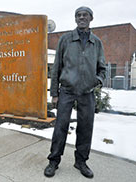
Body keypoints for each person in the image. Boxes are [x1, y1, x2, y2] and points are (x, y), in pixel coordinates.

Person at [44, 6, 106, 178]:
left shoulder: (97, 43)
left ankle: (81, 161)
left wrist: (97, 81)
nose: (81, 18)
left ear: (91, 18)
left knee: (86, 128)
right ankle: (53, 161)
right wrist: (54, 93)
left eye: (85, 15)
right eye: (78, 15)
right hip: (67, 91)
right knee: (60, 127)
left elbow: (102, 69)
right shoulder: (65, 40)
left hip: (87, 92)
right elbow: (56, 68)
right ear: (75, 19)